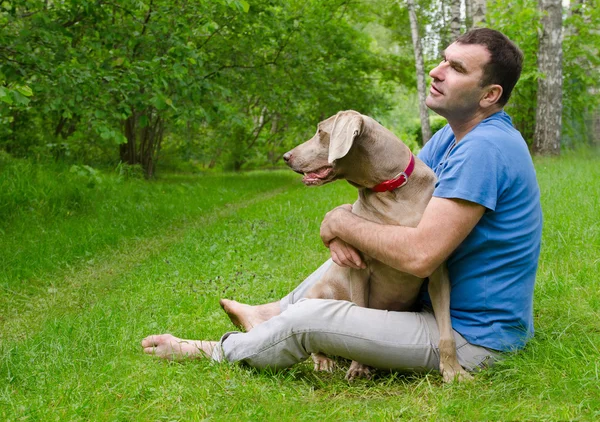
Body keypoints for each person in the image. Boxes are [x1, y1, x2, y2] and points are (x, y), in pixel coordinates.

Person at [142, 28, 542, 376]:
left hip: (472, 336)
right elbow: (394, 207)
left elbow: (421, 255)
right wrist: (344, 230)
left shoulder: (485, 149)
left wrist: (339, 221)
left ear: (490, 94)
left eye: (456, 68)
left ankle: (216, 350)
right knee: (353, 253)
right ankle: (270, 314)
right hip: (431, 311)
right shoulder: (450, 138)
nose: (437, 71)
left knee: (309, 322)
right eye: (442, 60)